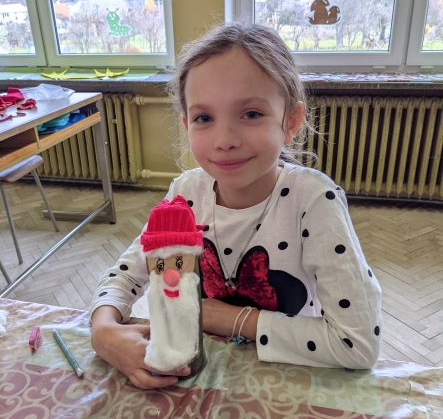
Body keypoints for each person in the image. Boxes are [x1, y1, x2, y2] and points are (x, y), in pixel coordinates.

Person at [90, 22, 382, 390]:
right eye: (204, 118)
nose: (224, 140)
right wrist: (103, 330)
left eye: (251, 114)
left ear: (291, 121)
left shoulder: (313, 201)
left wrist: (225, 317)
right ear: (187, 123)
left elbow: (358, 344)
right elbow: (128, 273)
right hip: (199, 379)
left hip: (288, 383)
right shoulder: (186, 192)